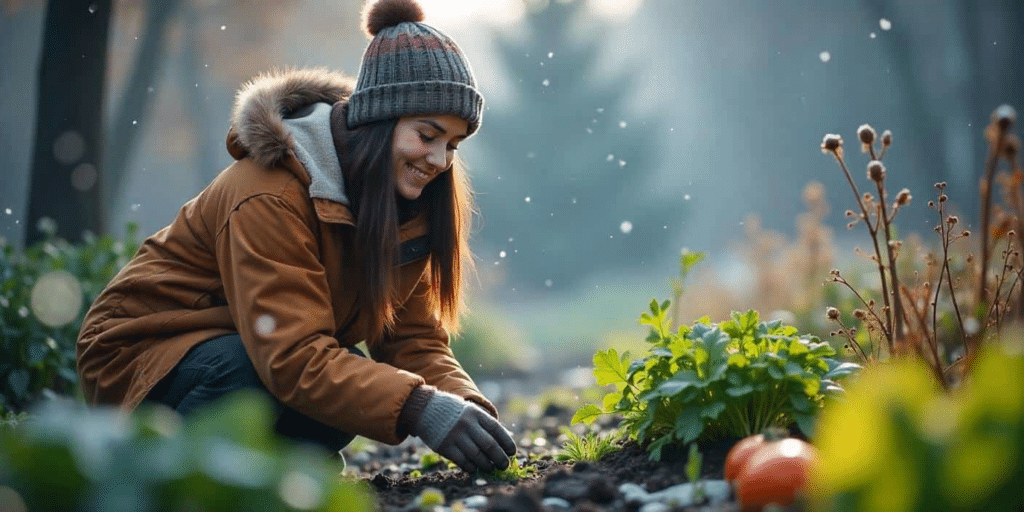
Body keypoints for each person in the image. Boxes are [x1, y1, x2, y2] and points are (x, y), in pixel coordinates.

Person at [75, 0, 517, 473]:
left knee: (343, 396)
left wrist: (468, 412)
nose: (440, 160)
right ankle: (166, 474)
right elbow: (290, 357)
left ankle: (271, 473)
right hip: (141, 355)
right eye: (427, 135)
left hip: (250, 345)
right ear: (380, 119)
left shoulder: (400, 205)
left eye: (453, 144)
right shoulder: (271, 191)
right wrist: (420, 408)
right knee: (251, 377)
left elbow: (411, 339)